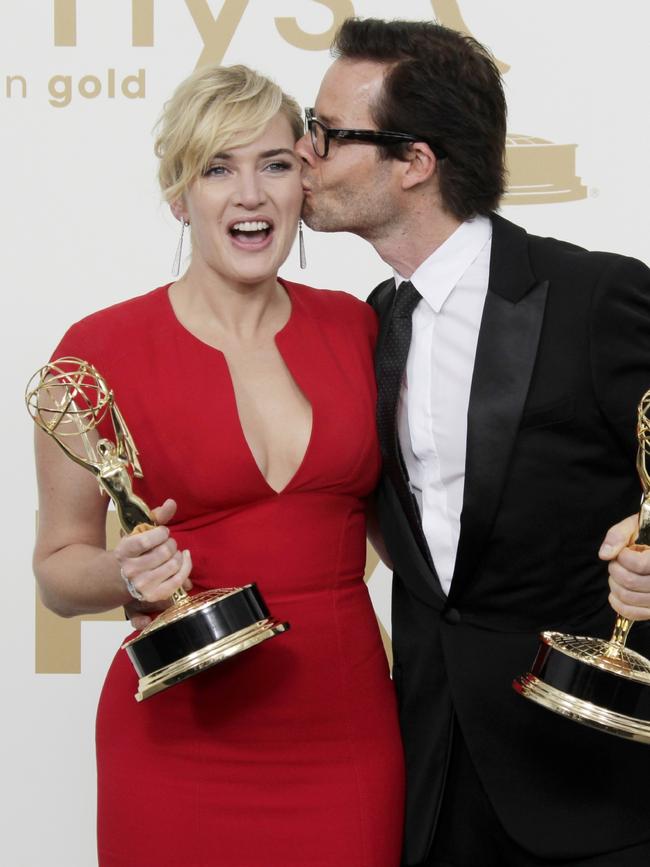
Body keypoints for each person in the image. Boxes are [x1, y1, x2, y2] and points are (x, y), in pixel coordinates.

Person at [295, 17, 650, 867]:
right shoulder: (367, 324)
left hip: (588, 776)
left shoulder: (593, 295)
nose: (302, 152)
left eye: (326, 132)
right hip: (429, 775)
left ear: (414, 162)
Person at [32, 63, 405, 867]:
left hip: (344, 733)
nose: (251, 194)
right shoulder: (96, 351)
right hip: (178, 744)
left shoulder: (359, 328)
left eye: (275, 164)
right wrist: (126, 575)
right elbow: (60, 570)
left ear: (304, 185)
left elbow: (417, 515)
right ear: (178, 195)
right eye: (217, 168)